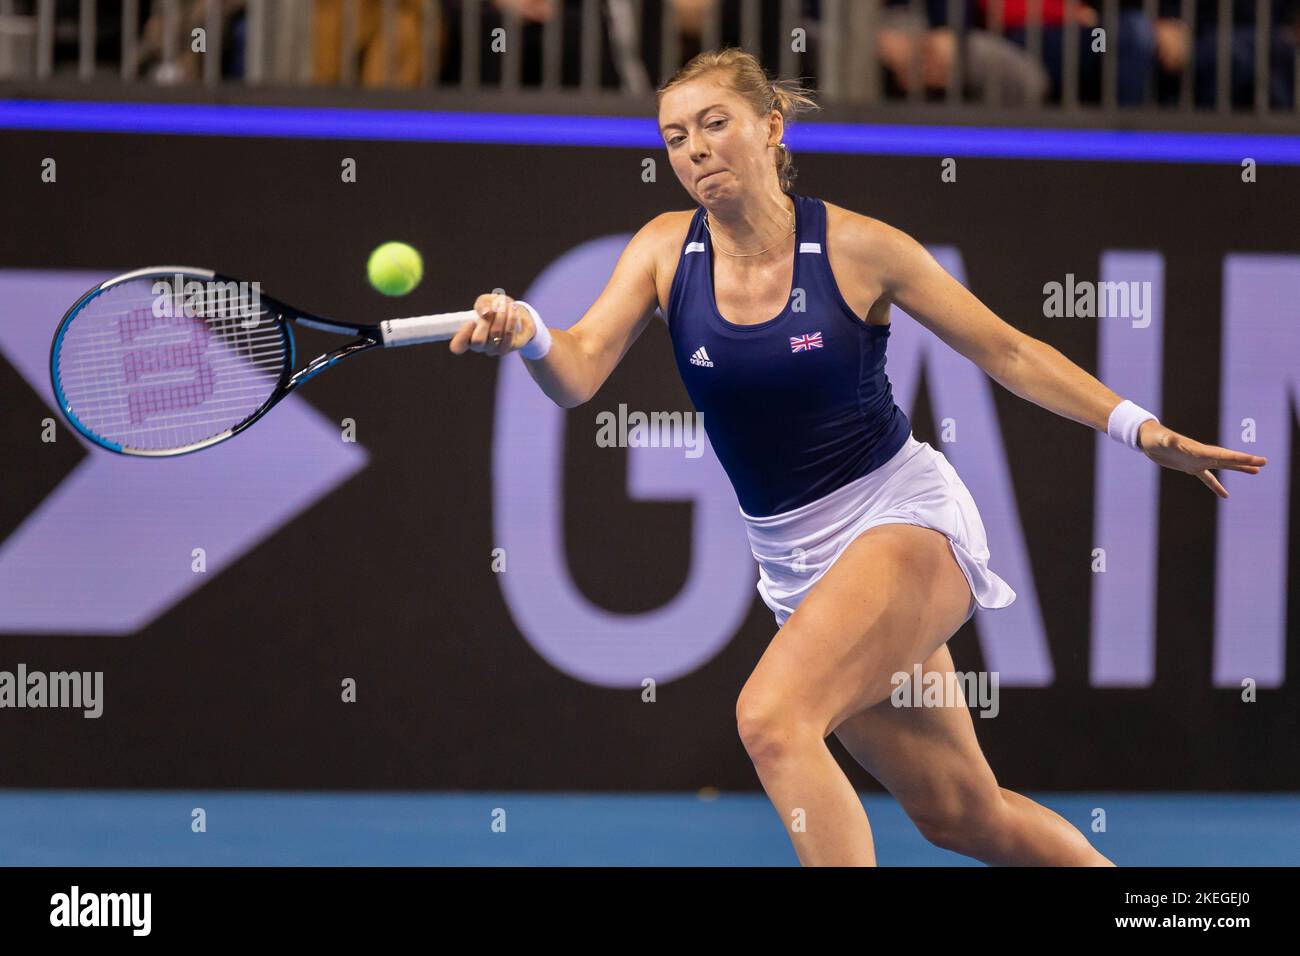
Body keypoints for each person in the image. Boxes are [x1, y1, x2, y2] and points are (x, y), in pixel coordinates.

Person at [447, 47, 1267, 866]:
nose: (693, 148)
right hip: (796, 568)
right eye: (673, 135)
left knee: (772, 718)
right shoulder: (666, 249)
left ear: (771, 128)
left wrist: (1138, 428)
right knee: (962, 815)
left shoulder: (860, 248)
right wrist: (529, 335)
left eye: (713, 123)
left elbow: (1010, 353)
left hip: (902, 522)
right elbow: (579, 371)